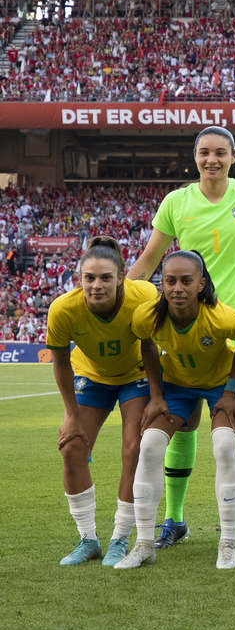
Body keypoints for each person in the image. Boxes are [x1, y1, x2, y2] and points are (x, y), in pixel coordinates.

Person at [127, 126, 235, 548]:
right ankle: (175, 520)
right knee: (182, 424)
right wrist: (119, 297)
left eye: (220, 152)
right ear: (194, 157)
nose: (211, 159)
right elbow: (149, 260)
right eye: (204, 152)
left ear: (234, 156)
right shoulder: (176, 202)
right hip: (185, 322)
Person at [115, 251, 235, 569]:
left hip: (220, 384)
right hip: (175, 386)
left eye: (186, 281)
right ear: (161, 283)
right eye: (170, 280)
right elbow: (146, 344)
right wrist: (156, 395)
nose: (177, 288)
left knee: (224, 445)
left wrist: (232, 390)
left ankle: (228, 543)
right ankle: (144, 544)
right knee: (149, 446)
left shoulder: (222, 317)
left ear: (201, 284)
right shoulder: (147, 316)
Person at [47, 237, 156, 566]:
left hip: (135, 375)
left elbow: (151, 347)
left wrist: (157, 395)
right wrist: (70, 413)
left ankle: (121, 537)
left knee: (134, 448)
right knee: (71, 446)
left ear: (122, 275)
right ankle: (88, 539)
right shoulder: (63, 309)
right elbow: (61, 361)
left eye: (105, 277)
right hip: (91, 376)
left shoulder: (144, 297)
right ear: (79, 278)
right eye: (89, 278)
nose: (96, 285)